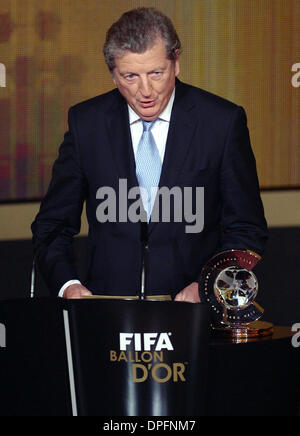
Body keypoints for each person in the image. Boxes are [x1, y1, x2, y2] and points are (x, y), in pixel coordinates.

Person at [31, 7, 268, 302]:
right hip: (106, 314)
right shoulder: (85, 123)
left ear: (176, 62)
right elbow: (52, 226)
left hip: (195, 316)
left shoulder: (222, 122)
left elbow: (247, 228)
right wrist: (69, 285)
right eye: (130, 76)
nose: (146, 90)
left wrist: (208, 286)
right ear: (113, 74)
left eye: (156, 73)